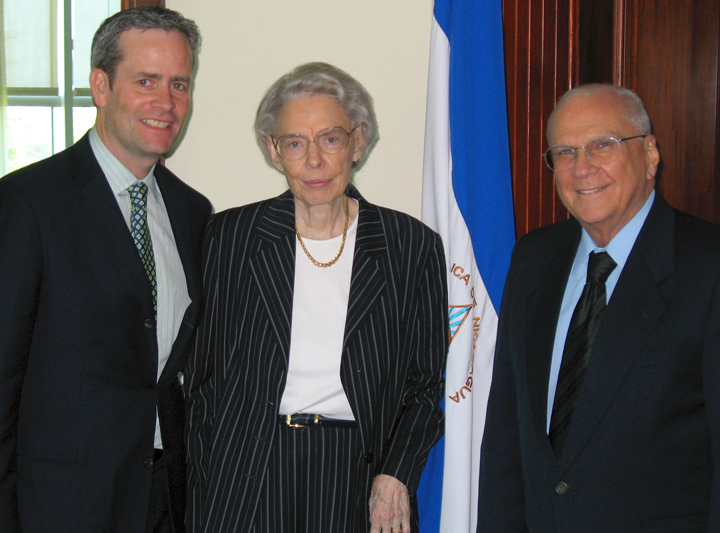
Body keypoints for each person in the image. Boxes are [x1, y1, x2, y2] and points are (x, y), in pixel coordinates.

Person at [185, 62, 448, 533]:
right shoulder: (230, 237)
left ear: (358, 141)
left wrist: (396, 474)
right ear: (273, 150)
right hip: (246, 471)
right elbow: (204, 379)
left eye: (330, 138)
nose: (313, 161)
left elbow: (427, 385)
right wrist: (207, 482)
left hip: (357, 472)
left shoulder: (410, 245)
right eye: (294, 143)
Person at [0, 7, 212, 532]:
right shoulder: (28, 204)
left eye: (179, 84)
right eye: (146, 81)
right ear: (100, 85)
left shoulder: (193, 213)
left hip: (166, 498)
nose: (166, 103)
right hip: (62, 507)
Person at [477, 83, 720, 531]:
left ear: (649, 154)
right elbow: (505, 443)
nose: (582, 168)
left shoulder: (707, 267)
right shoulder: (532, 260)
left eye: (602, 146)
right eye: (564, 153)